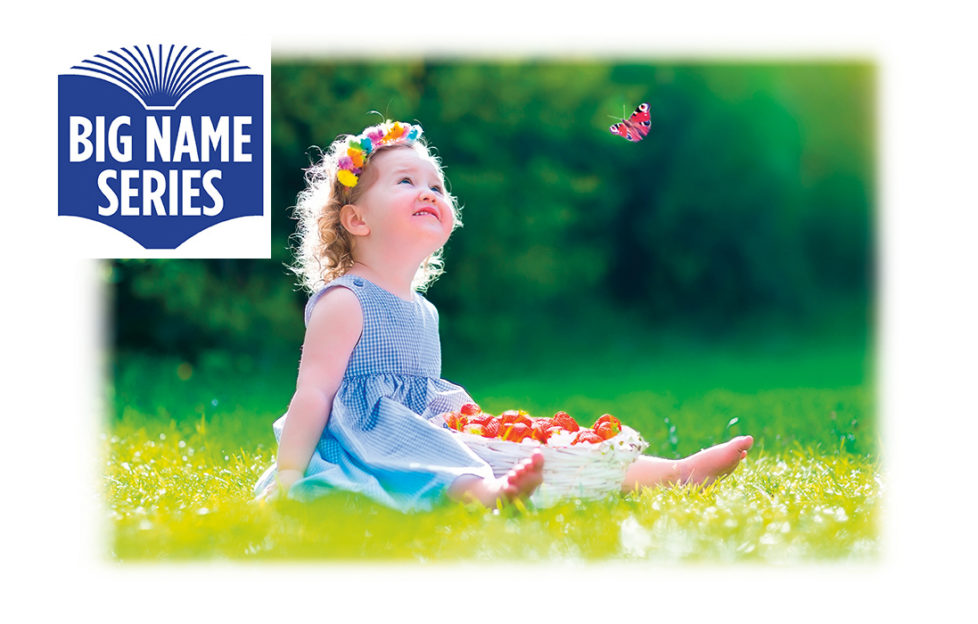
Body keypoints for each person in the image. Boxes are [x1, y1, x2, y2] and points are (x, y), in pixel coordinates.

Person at [254, 120, 753, 511]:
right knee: (448, 461)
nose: (429, 191)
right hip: (373, 441)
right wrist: (291, 476)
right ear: (357, 219)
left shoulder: (423, 309)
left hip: (434, 422)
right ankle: (489, 496)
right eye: (406, 181)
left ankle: (669, 472)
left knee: (537, 439)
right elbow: (313, 392)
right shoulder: (346, 299)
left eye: (437, 184)